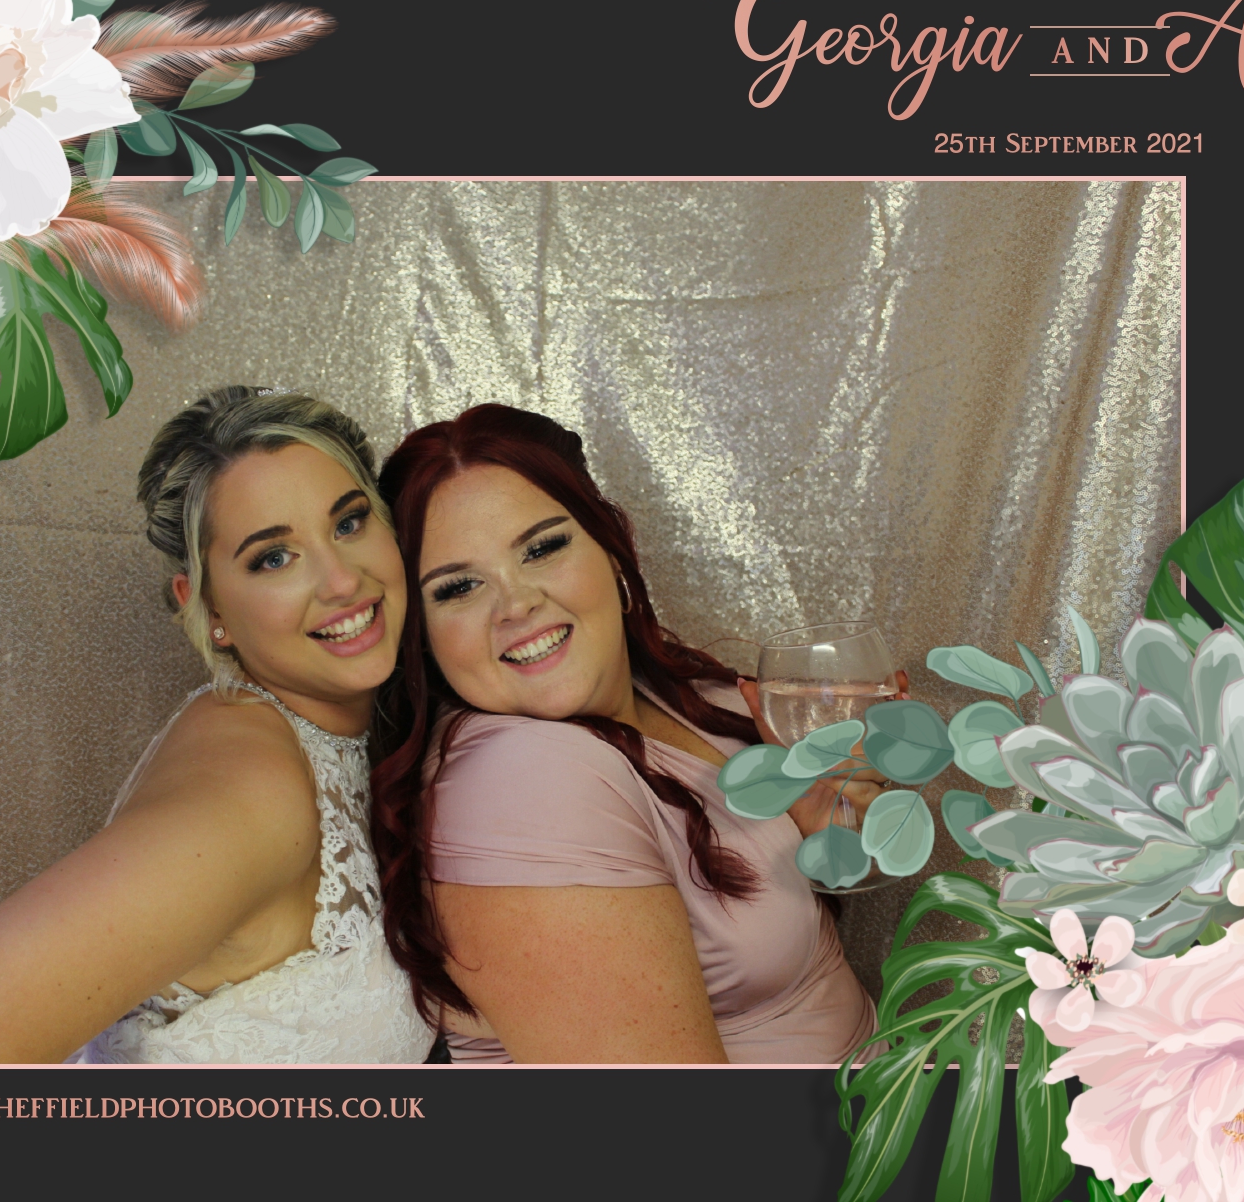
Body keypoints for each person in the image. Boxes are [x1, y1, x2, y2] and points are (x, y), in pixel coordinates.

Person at [0, 388, 434, 1064]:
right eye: (273, 558)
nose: (340, 581)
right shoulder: (249, 794)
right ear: (209, 609)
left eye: (349, 522)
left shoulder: (350, 730)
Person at [371, 404, 882, 1063]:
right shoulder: (520, 778)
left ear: (611, 548)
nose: (516, 604)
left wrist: (831, 827)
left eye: (542, 549)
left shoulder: (686, 693)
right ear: (423, 635)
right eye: (459, 586)